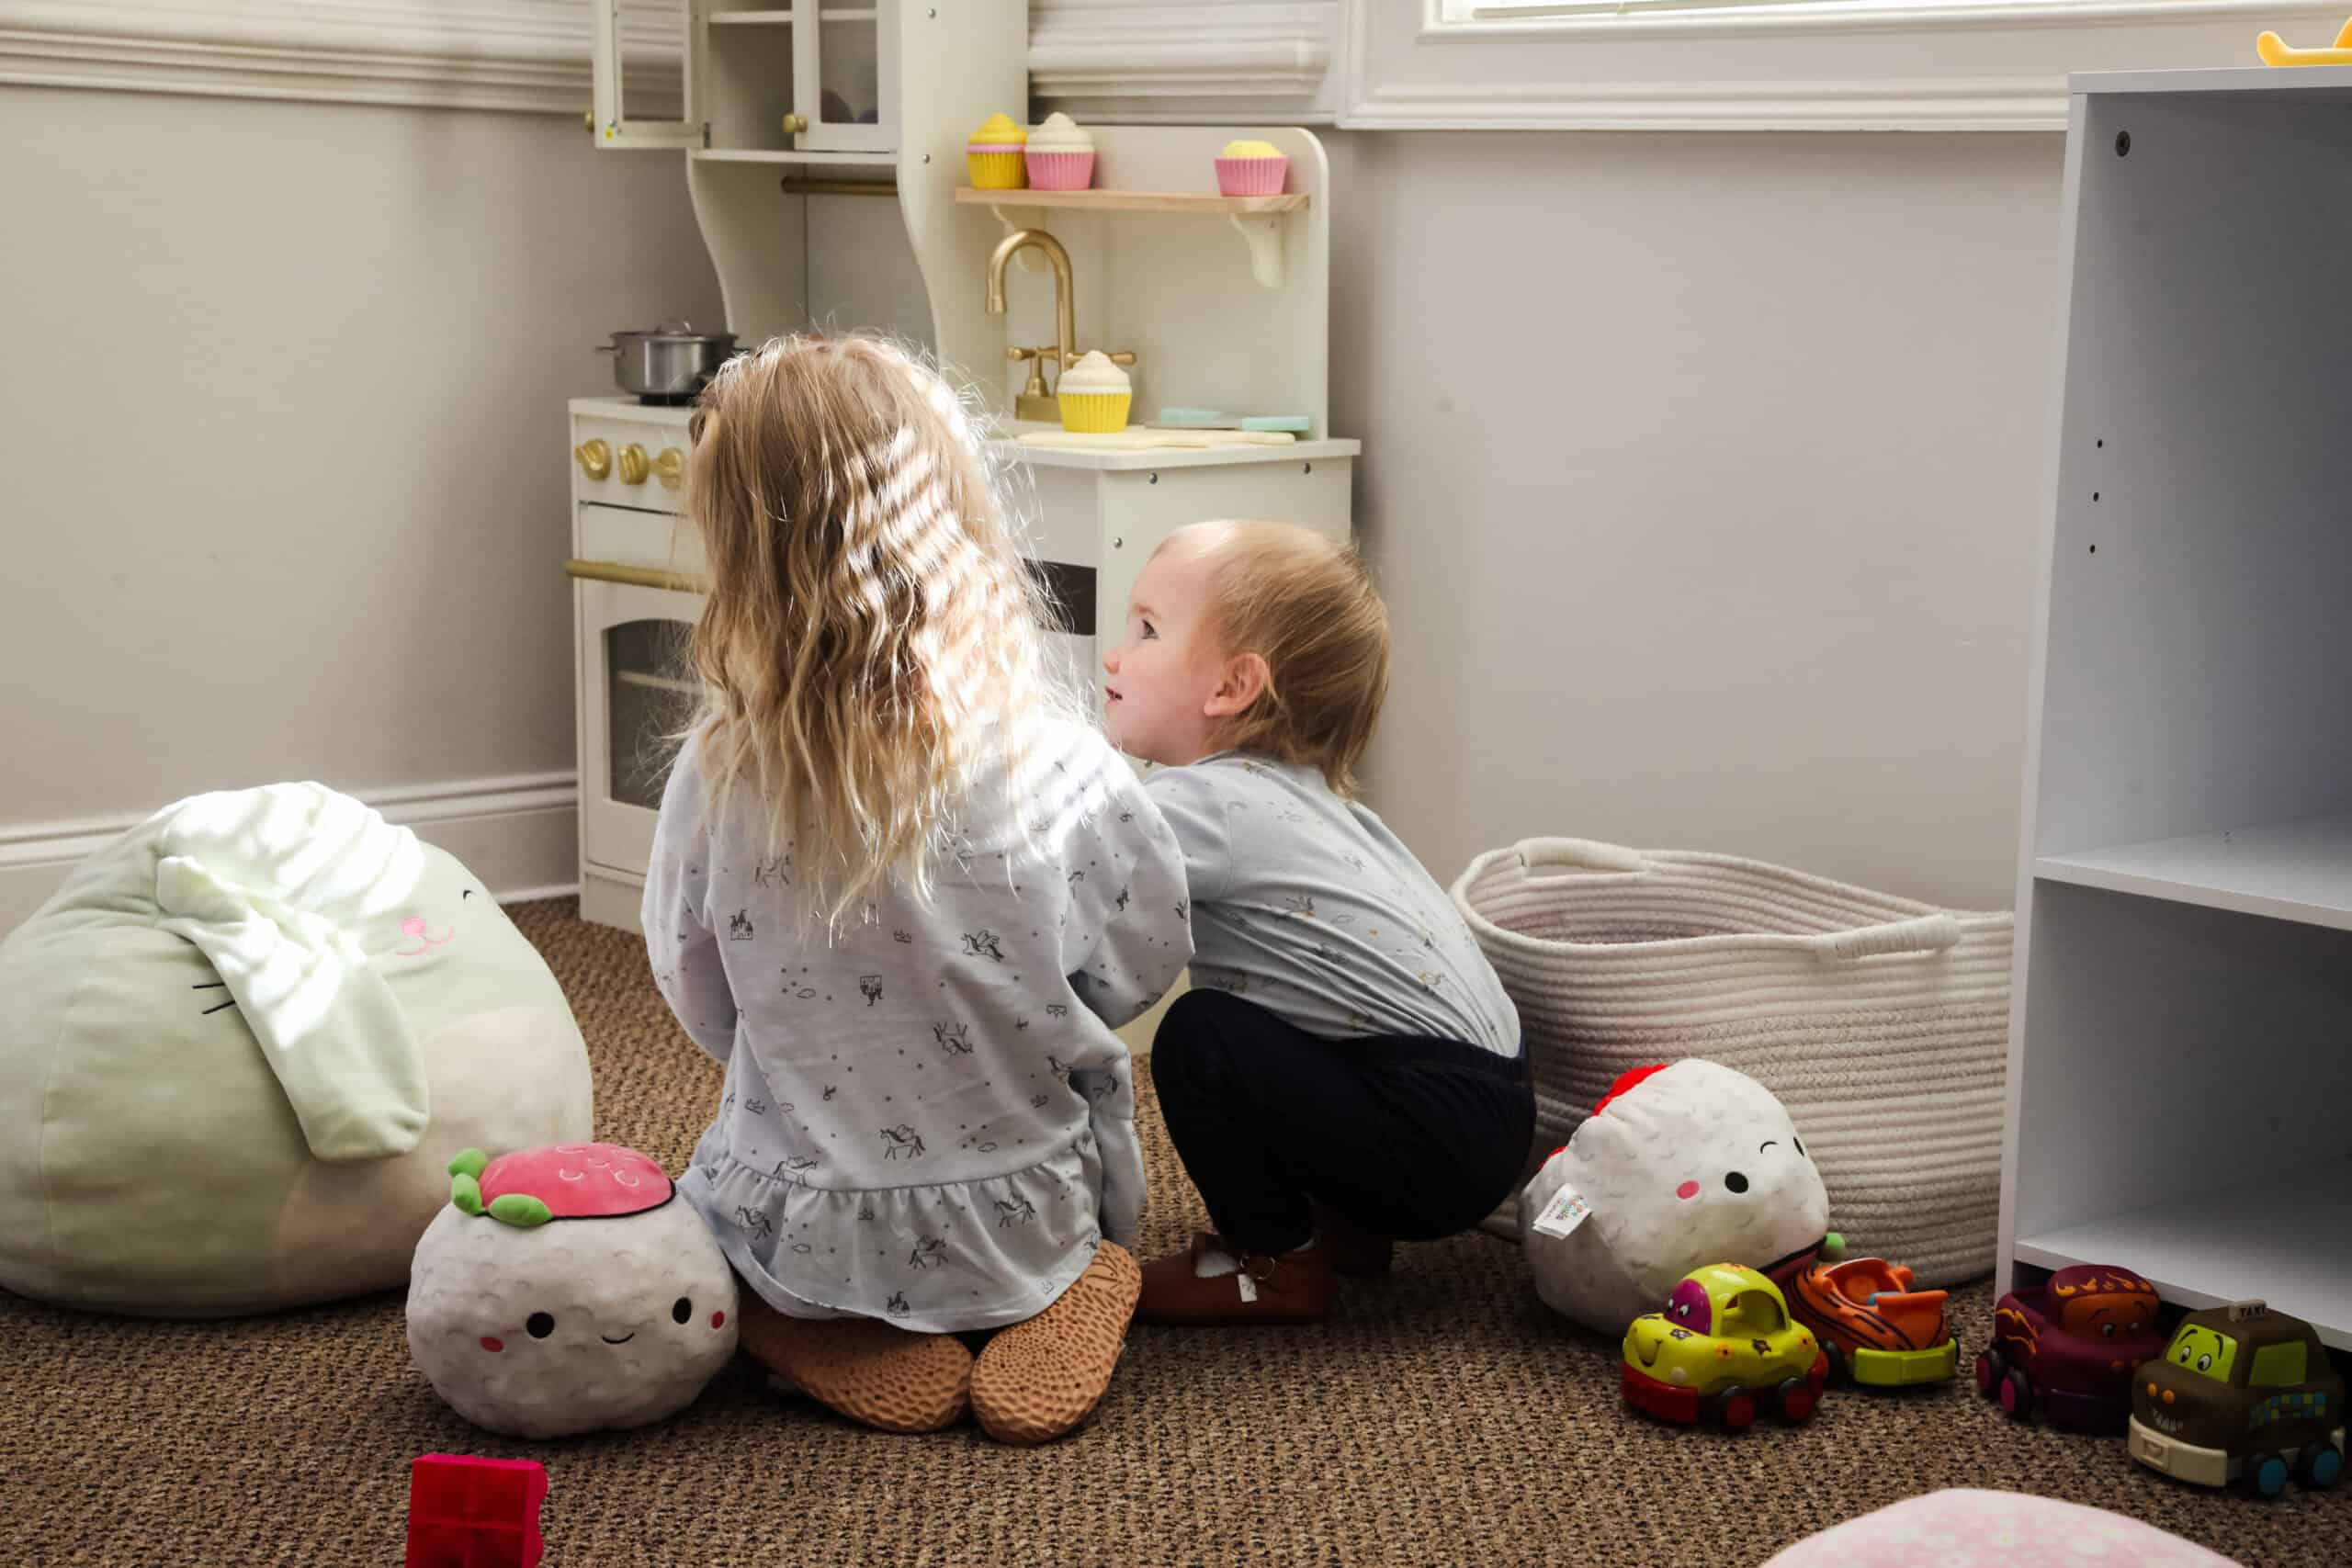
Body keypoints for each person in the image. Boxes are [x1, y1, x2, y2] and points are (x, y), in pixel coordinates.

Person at [644, 335, 1191, 1440]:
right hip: (1027, 1210)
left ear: (742, 563)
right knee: (1060, 1198)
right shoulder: (1058, 763)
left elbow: (693, 984)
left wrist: (814, 1042)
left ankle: (802, 1319)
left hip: (804, 1221)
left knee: (715, 1230)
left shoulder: (720, 772)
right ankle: (1068, 1289)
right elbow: (1141, 957)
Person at [1099, 520, 1531, 1325]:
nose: (1115, 658)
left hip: (1434, 1125)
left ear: (1233, 686)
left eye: (1147, 630)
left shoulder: (1203, 801)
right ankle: (1349, 1228)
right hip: (1492, 1106)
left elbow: (1069, 877)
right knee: (1286, 1014)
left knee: (1201, 1039)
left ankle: (1277, 1264)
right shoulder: (1324, 805)